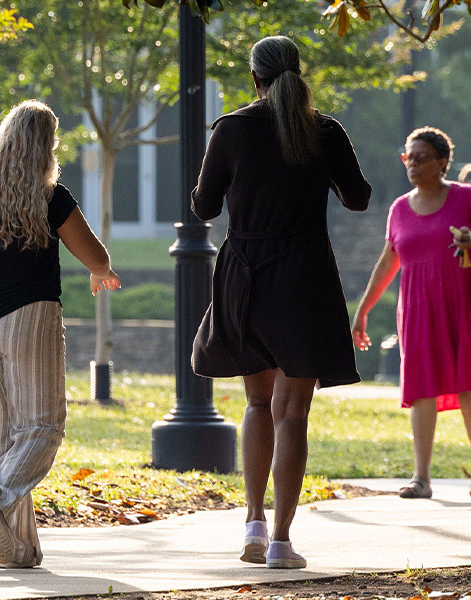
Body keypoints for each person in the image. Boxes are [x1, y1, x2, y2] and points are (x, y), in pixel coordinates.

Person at [192, 35, 371, 570]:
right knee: (292, 412)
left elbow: (202, 206)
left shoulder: (231, 129)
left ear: (255, 79)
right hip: (304, 275)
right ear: (298, 74)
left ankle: (253, 522)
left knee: (256, 404)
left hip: (245, 273)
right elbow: (358, 197)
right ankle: (282, 543)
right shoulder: (324, 130)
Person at [0, 100, 122, 569]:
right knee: (42, 426)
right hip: (28, 317)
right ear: (46, 146)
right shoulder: (50, 195)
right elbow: (93, 255)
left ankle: (18, 550)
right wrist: (102, 272)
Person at [352, 126, 471, 503]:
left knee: (468, 386)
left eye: (422, 157)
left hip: (465, 304)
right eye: (409, 156)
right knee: (420, 387)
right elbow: (388, 262)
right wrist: (362, 312)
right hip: (418, 309)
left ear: (442, 162)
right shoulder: (398, 208)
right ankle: (421, 478)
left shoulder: (466, 198)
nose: (413, 163)